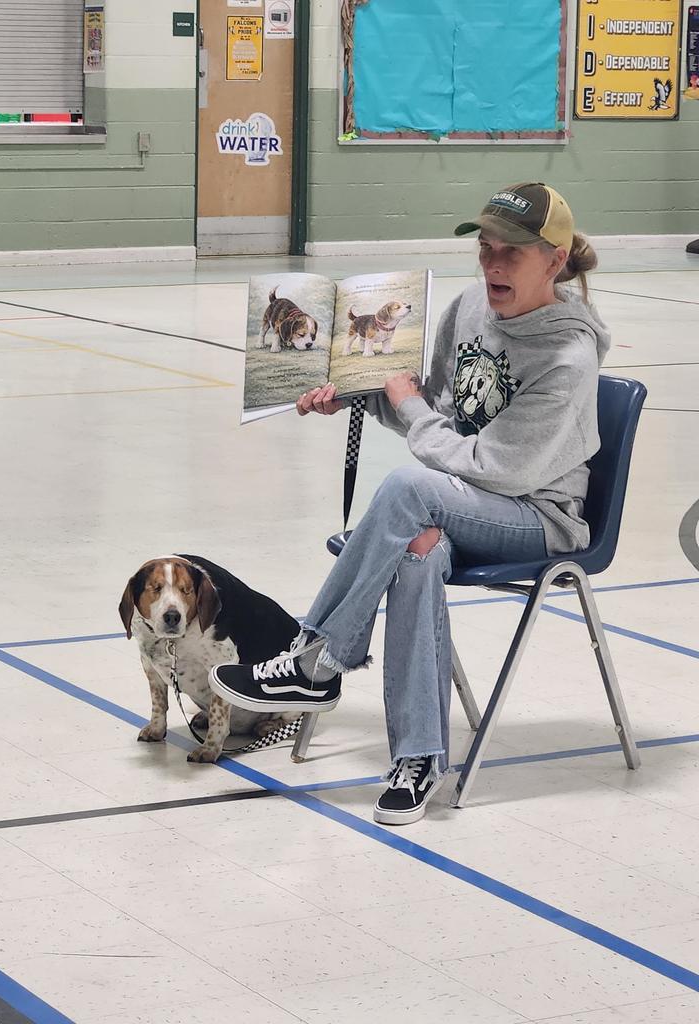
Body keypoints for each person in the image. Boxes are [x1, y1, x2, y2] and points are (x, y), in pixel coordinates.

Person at [210, 182, 607, 826]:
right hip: (460, 502)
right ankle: (420, 760)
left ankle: (317, 658)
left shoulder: (569, 355)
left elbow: (495, 468)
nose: (492, 266)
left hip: (536, 517)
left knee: (405, 489)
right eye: (485, 249)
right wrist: (359, 395)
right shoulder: (469, 307)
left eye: (512, 254)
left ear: (554, 261)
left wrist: (411, 406)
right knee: (418, 549)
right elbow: (441, 418)